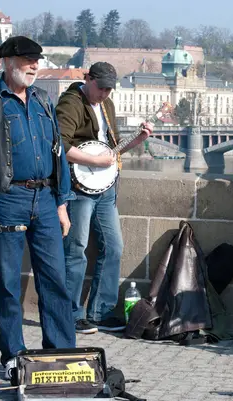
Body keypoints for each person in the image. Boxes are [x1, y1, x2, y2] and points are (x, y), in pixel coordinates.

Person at [0, 36, 76, 380]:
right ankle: (13, 355)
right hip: (7, 200)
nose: (34, 65)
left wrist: (61, 204)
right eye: (27, 60)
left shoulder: (43, 100)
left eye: (37, 60)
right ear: (8, 62)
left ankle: (62, 354)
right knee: (9, 283)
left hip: (44, 200)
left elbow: (58, 155)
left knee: (55, 280)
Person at [56, 62, 153, 334]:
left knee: (114, 247)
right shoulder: (71, 102)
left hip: (105, 188)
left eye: (110, 89)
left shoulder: (106, 105)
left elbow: (113, 148)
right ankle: (70, 313)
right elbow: (60, 145)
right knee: (76, 250)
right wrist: (93, 160)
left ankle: (100, 311)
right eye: (101, 88)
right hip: (79, 188)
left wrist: (138, 140)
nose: (105, 94)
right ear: (88, 79)